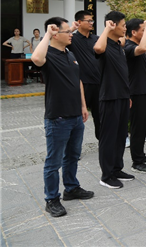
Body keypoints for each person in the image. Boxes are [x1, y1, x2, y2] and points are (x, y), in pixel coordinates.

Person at [31, 17, 94, 217]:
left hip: (76, 115)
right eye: (67, 32)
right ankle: (51, 199)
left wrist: (83, 106)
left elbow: (78, 81)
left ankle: (71, 188)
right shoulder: (47, 54)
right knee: (54, 161)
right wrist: (47, 35)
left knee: (73, 155)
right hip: (57, 118)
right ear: (55, 34)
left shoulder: (70, 54)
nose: (71, 34)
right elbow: (36, 59)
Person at [93, 11, 134, 189]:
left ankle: (117, 169)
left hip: (123, 96)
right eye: (123, 25)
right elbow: (98, 49)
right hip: (109, 96)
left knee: (120, 136)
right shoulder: (104, 43)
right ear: (112, 24)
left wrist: (128, 95)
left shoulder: (119, 45)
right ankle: (106, 175)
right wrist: (106, 29)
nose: (125, 28)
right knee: (108, 137)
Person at [124, 19, 146, 174]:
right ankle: (137, 162)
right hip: (136, 92)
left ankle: (141, 155)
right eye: (142, 30)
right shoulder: (128, 47)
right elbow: (143, 48)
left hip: (145, 91)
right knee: (137, 128)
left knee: (142, 127)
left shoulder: (135, 46)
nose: (145, 33)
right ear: (133, 32)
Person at [69, 11, 102, 140]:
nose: (91, 23)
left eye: (92, 21)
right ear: (79, 22)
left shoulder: (96, 39)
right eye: (88, 21)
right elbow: (56, 39)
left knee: (100, 116)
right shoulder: (72, 39)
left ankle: (103, 143)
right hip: (82, 84)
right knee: (77, 117)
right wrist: (72, 29)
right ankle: (73, 146)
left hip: (98, 83)